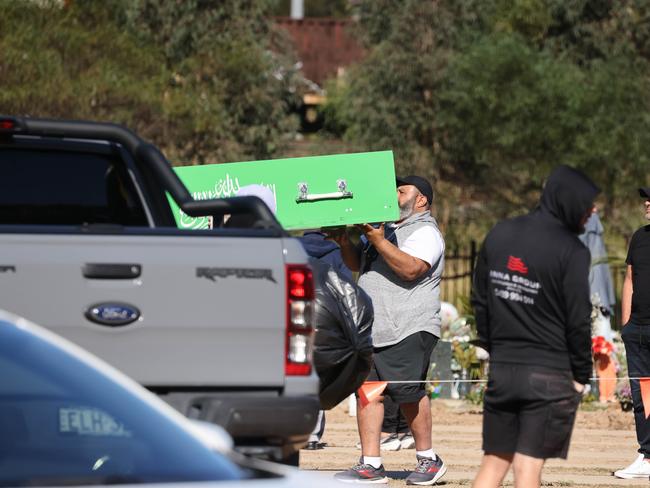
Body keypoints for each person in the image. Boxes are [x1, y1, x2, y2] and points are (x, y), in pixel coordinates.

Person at [471, 165, 599, 488]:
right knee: (527, 469)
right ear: (567, 200)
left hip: (503, 370)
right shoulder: (572, 250)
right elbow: (578, 319)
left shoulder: (500, 232)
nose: (592, 210)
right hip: (550, 373)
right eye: (588, 202)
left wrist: (489, 346)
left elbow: (480, 297)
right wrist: (581, 375)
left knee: (494, 462)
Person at [332, 175, 447, 485]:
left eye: (401, 190)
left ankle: (428, 460)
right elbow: (359, 264)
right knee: (367, 393)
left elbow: (411, 270)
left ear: (420, 199)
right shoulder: (387, 229)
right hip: (374, 327)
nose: (394, 195)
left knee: (407, 393)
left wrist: (378, 239)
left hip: (408, 327)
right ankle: (370, 464)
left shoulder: (426, 232)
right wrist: (345, 241)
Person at [299, 231, 353, 450]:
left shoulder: (290, 247)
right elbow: (346, 289)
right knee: (318, 374)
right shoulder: (338, 254)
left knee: (296, 372)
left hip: (295, 313)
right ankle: (312, 434)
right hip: (325, 319)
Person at [614, 187, 650, 479]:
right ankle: (647, 455)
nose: (647, 204)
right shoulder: (639, 237)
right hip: (637, 330)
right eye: (646, 200)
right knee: (641, 397)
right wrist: (626, 324)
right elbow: (629, 279)